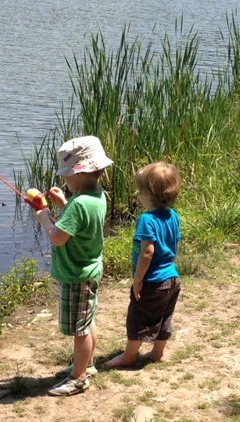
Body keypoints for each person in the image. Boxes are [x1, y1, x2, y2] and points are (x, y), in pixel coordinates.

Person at [34, 135, 113, 396]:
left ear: (78, 174)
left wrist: (44, 216)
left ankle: (78, 378)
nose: (64, 180)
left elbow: (58, 238)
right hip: (90, 269)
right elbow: (81, 224)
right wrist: (63, 205)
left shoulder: (79, 204)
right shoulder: (97, 196)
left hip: (76, 274)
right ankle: (87, 364)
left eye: (66, 175)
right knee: (87, 321)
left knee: (79, 329)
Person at [105, 161, 181, 368]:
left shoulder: (147, 219)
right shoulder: (173, 215)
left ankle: (128, 356)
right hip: (172, 278)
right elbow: (175, 242)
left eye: (139, 190)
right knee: (164, 316)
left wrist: (138, 280)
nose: (138, 195)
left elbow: (147, 252)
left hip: (153, 280)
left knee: (138, 317)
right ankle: (157, 353)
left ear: (149, 193)